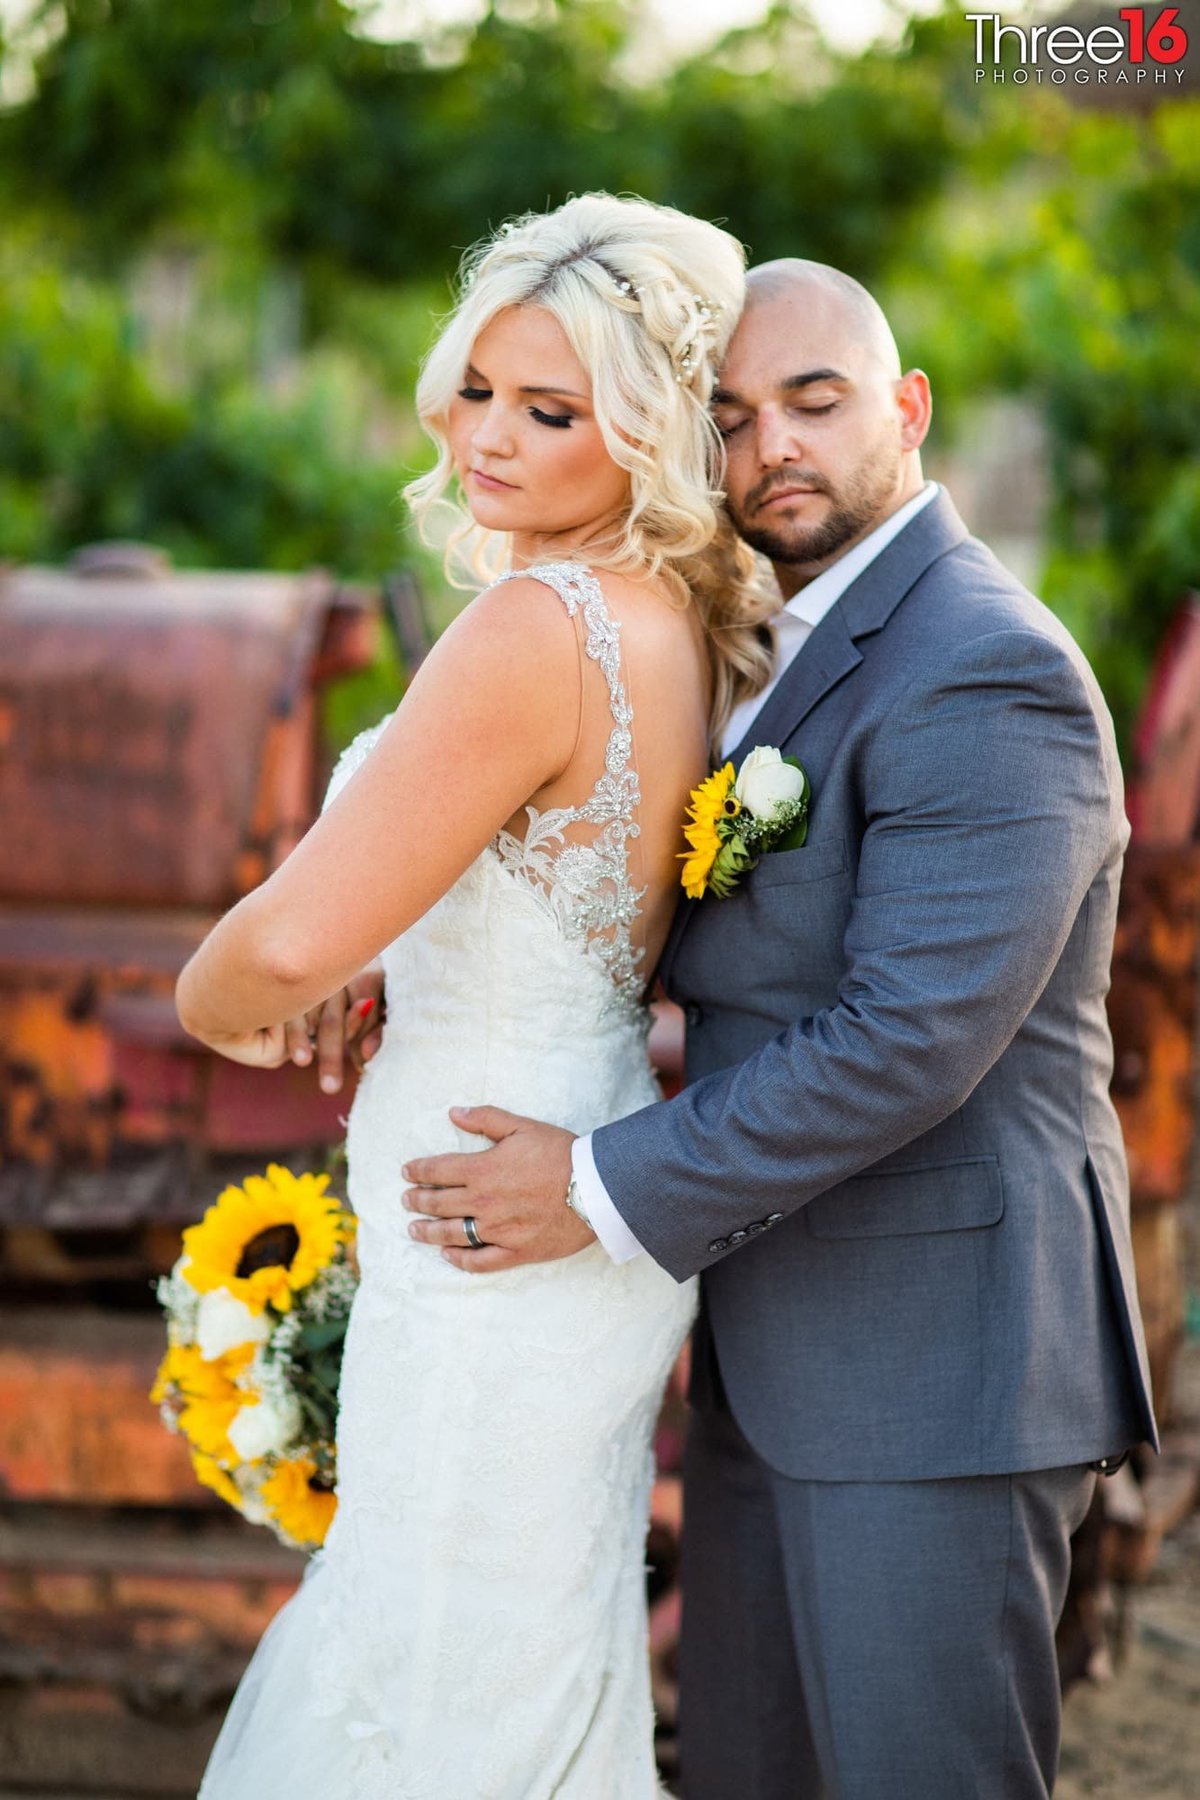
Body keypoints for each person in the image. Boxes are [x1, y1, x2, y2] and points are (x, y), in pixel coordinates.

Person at [404, 259, 1159, 1800]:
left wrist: (599, 1186)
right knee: (756, 1771)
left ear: (908, 407)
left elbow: (909, 1037)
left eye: (815, 403)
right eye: (732, 419)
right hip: (775, 1338)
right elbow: (722, 947)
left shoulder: (985, 668)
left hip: (937, 1364)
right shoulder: (779, 645)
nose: (773, 450)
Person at [177, 193, 773, 1797]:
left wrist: (212, 986)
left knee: (425, 1684)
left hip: (478, 1221)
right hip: (564, 1189)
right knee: (515, 1673)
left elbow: (285, 951)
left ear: (645, 437)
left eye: (553, 411)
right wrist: (401, 938)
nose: (489, 438)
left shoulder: (536, 624)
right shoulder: (682, 633)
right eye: (481, 390)